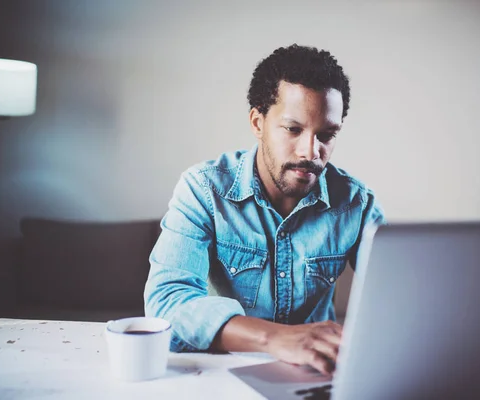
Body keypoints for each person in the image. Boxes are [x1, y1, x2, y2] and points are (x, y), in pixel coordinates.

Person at [144, 44, 384, 375]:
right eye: (293, 129)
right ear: (258, 122)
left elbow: (400, 300)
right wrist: (276, 339)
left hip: (314, 375)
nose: (310, 152)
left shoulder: (356, 203)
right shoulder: (203, 190)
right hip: (217, 373)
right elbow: (167, 304)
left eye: (327, 135)